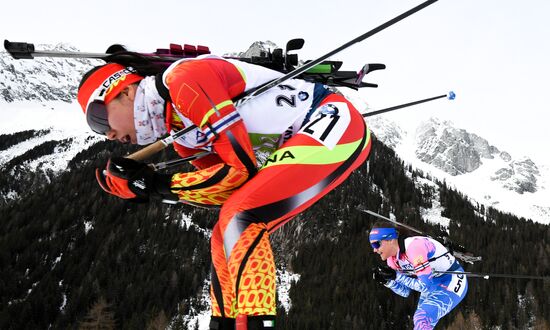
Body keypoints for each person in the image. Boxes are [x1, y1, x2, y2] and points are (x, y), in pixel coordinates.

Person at [77, 51, 371, 329]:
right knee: (223, 232)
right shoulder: (184, 138)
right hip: (306, 134)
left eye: (99, 119)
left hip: (331, 119)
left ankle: (256, 323)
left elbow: (238, 169)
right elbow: (230, 190)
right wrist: (154, 188)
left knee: (241, 219)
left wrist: (155, 186)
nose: (109, 134)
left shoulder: (184, 80)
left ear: (126, 91)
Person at [369, 222, 468, 329]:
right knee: (421, 323)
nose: (374, 250)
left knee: (421, 318)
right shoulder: (392, 261)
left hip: (451, 280)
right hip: (433, 283)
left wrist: (397, 276)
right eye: (372, 246)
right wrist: (388, 282)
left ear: (390, 240)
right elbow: (405, 291)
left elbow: (425, 286)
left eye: (376, 244)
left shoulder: (414, 247)